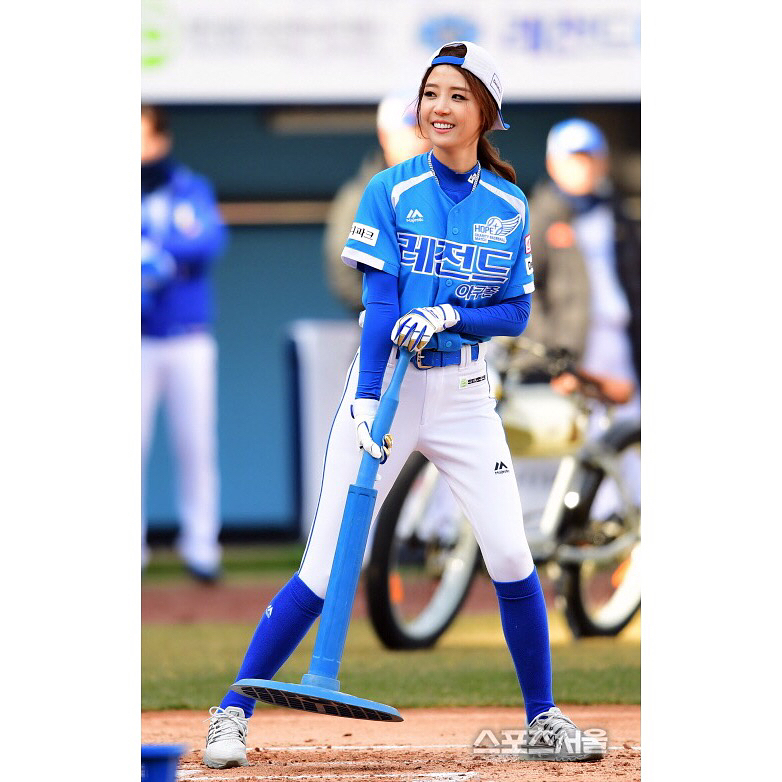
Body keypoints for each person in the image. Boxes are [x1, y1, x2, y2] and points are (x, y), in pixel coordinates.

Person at [202, 42, 605, 768]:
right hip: (388, 387)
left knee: (511, 552)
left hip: (465, 393)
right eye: (430, 93)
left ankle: (542, 717)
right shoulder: (388, 189)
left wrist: (453, 316)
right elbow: (379, 303)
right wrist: (365, 399)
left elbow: (515, 311)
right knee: (326, 565)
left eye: (456, 95)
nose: (438, 107)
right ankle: (231, 712)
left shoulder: (511, 203)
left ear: (487, 112)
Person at [141, 105, 227, 582]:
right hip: (137, 339)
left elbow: (208, 240)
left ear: (160, 140)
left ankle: (202, 550)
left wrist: (159, 253)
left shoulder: (189, 187)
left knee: (195, 445)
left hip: (189, 338)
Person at [323, 91, 431, 314]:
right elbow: (344, 273)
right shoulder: (361, 196)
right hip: (386, 321)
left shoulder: (454, 189)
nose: (415, 142)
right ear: (384, 136)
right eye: (405, 133)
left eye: (421, 132)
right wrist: (387, 309)